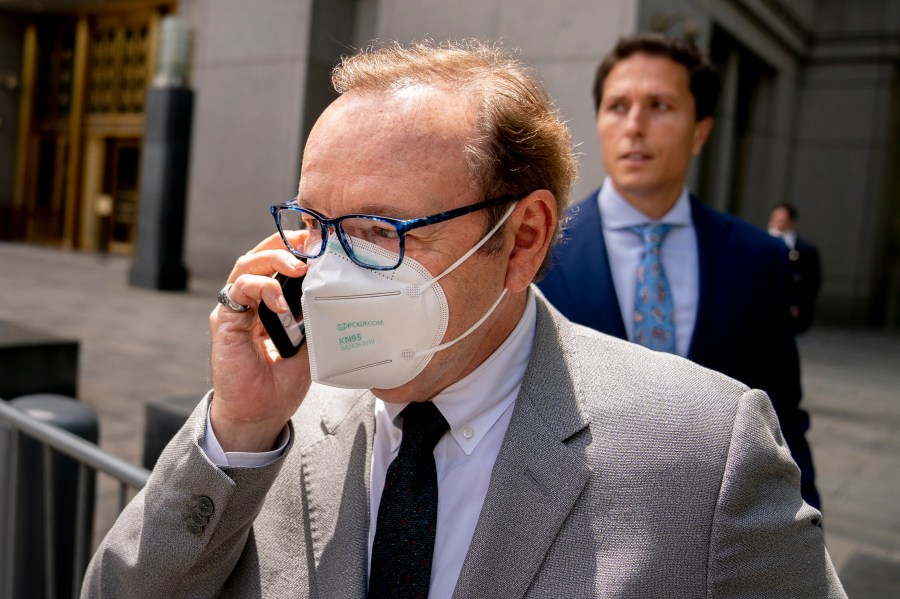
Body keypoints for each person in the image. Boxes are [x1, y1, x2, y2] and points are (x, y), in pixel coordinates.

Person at [82, 39, 845, 598]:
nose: (332, 269)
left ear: (523, 239)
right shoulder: (275, 421)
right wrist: (237, 433)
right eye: (315, 223)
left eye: (382, 230)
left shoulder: (704, 452)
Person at [537, 32, 822, 510]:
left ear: (700, 131)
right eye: (617, 106)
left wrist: (806, 527)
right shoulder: (538, 252)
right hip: (570, 526)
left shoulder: (756, 258)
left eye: (660, 106)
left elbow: (781, 419)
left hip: (716, 527)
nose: (634, 125)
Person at [768, 203, 822, 333]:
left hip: (789, 308)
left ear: (792, 223)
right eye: (774, 219)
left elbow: (811, 281)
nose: (777, 224)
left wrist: (798, 304)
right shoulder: (758, 245)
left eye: (782, 220)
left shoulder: (805, 250)